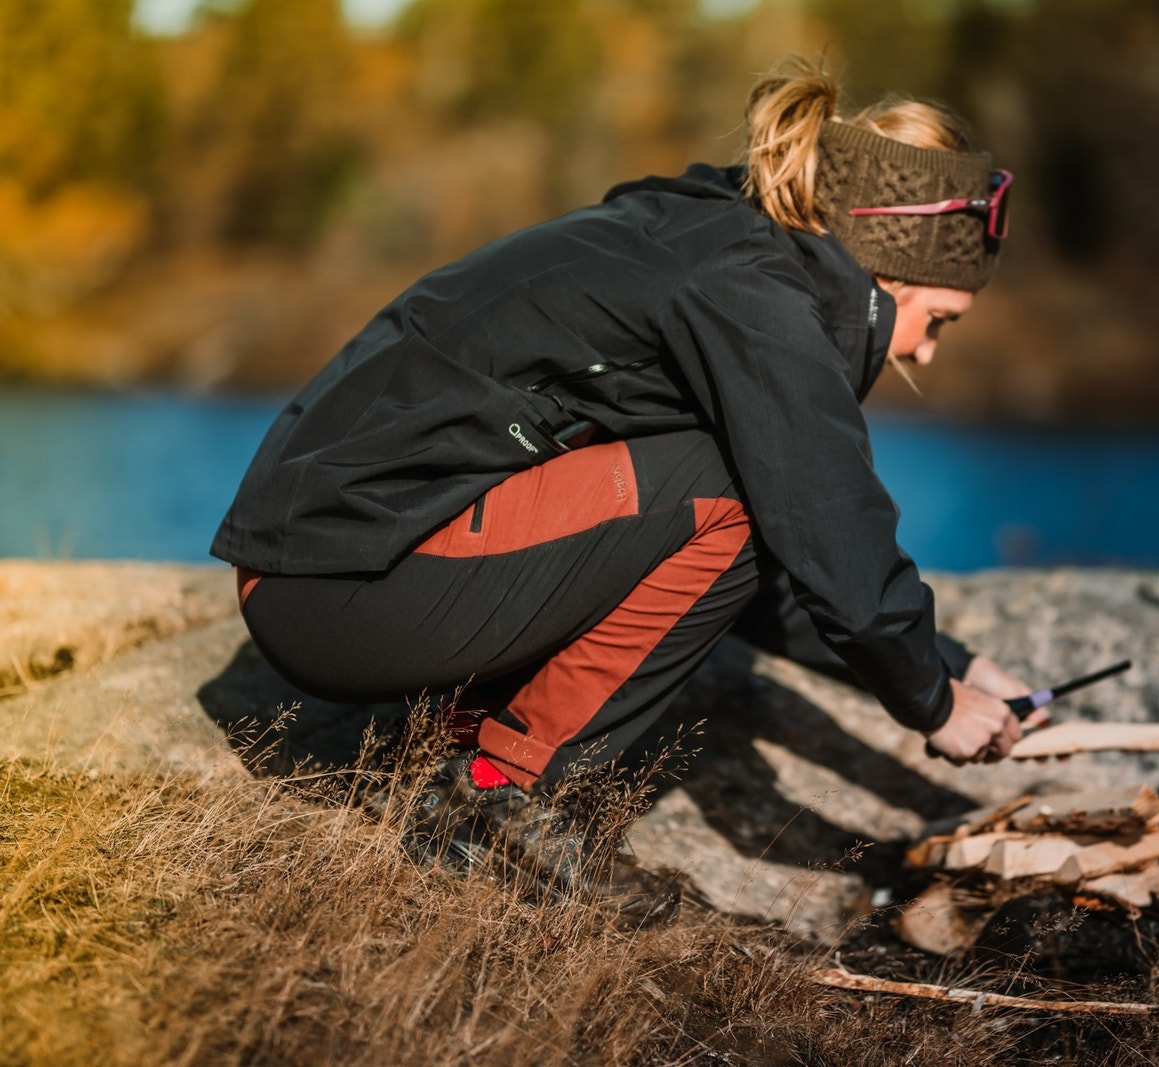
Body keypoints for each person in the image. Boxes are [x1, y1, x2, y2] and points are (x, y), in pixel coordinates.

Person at [212, 58, 1044, 913]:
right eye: (937, 321)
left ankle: (468, 750)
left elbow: (756, 559)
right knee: (741, 483)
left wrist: (954, 663)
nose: (925, 354)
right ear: (889, 268)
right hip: (340, 582)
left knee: (741, 489)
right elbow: (823, 527)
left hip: (325, 562)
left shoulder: (723, 243)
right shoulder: (749, 293)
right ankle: (499, 790)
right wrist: (934, 703)